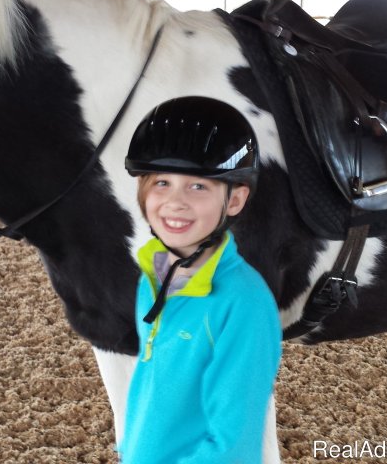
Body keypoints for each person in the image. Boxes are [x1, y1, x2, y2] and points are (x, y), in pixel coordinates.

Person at [118, 96, 282, 464]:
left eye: (198, 187)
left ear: (236, 200)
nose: (175, 202)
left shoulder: (243, 305)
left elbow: (233, 446)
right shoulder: (153, 277)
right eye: (162, 182)